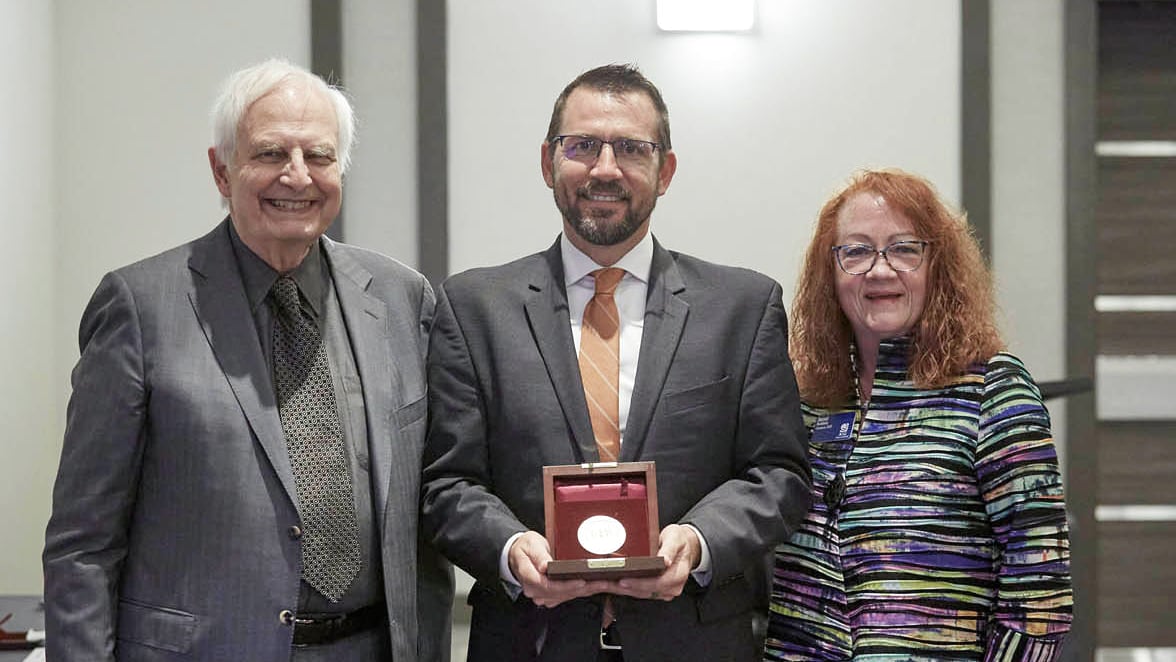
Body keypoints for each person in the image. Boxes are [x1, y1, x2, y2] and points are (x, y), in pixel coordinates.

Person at [43, 59, 452, 662]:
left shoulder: (401, 299)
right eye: (269, 155)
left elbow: (427, 509)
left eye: (318, 156)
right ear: (221, 169)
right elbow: (83, 545)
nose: (297, 177)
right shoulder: (140, 306)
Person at [420, 63, 812, 662]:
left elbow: (780, 475)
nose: (605, 168)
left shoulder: (742, 307)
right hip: (532, 641)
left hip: (695, 641)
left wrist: (699, 540)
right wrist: (508, 547)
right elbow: (447, 483)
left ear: (667, 170)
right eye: (582, 146)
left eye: (631, 147)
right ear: (548, 161)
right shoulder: (474, 307)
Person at [764, 169, 1073, 660]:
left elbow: (1041, 597)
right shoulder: (807, 400)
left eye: (905, 249)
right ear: (831, 271)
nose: (880, 270)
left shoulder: (994, 388)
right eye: (857, 250)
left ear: (937, 266)